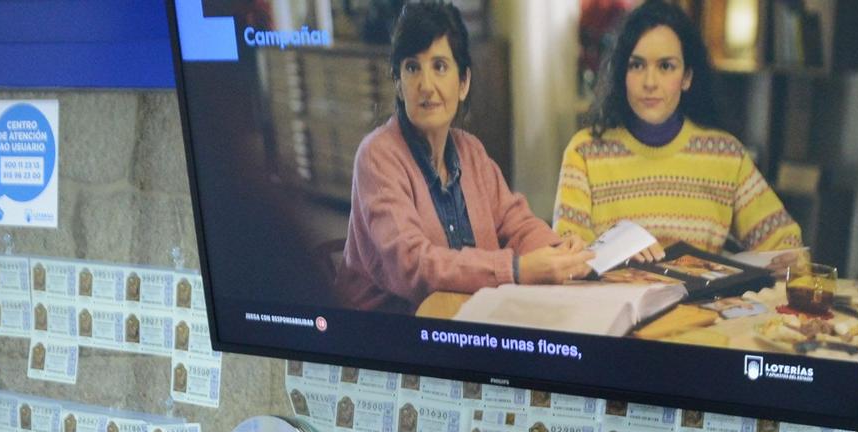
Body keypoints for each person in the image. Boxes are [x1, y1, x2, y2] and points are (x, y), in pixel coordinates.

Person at [339, 1, 592, 311]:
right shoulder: (376, 156)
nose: (426, 86)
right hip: (389, 330)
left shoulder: (471, 151)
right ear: (399, 85)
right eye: (412, 67)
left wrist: (559, 248)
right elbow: (413, 264)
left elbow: (518, 224)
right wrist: (515, 270)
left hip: (465, 313)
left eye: (440, 66)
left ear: (463, 83)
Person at [555, 1, 801, 262]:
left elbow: (785, 242)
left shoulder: (725, 155)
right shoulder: (585, 151)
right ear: (621, 74)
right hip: (614, 301)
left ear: (687, 78)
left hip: (701, 301)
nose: (650, 82)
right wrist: (616, 249)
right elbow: (568, 251)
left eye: (666, 66)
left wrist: (781, 263)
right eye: (636, 65)